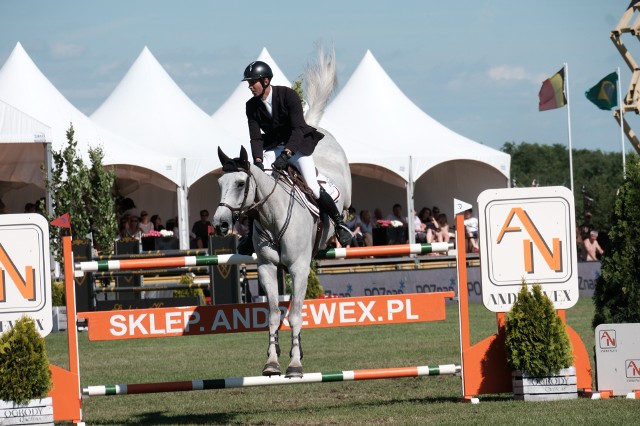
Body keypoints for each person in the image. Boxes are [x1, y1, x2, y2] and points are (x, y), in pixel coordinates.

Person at [240, 60, 352, 254]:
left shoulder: (288, 96)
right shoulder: (251, 106)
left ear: (266, 81)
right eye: (249, 82)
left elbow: (299, 128)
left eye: (253, 82)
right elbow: (255, 138)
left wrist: (287, 154)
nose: (250, 86)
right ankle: (252, 235)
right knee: (258, 185)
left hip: (297, 147)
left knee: (313, 185)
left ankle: (340, 224)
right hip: (273, 148)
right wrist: (258, 162)